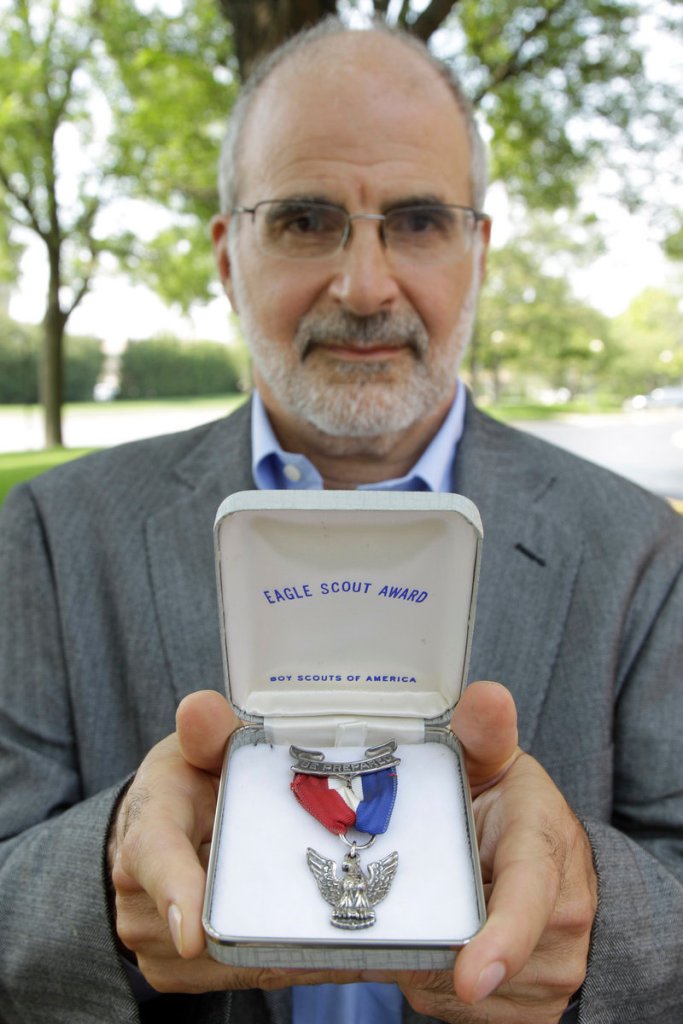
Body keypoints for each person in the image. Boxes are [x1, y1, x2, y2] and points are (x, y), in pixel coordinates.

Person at [0, 17, 682, 1024]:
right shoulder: (55, 536)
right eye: (305, 219)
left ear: (476, 251)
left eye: (415, 220)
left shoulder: (641, 552)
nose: (364, 287)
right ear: (229, 256)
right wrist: (109, 875)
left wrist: (588, 901)